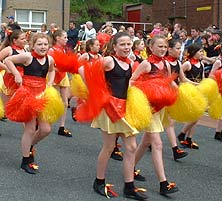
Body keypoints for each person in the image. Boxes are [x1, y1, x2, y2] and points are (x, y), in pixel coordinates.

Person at [78, 32, 147, 200]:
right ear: (114, 46)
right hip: (109, 108)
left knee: (131, 148)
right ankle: (99, 181)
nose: (126, 47)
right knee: (109, 147)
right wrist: (96, 92)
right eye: (122, 44)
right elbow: (82, 69)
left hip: (124, 108)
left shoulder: (130, 63)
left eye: (128, 44)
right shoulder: (109, 60)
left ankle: (129, 186)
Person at [130, 34, 179, 195]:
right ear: (151, 47)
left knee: (145, 143)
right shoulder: (145, 64)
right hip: (149, 109)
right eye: (160, 46)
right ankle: (163, 183)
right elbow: (132, 81)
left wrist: (181, 92)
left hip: (161, 108)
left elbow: (169, 81)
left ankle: (130, 169)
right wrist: (144, 92)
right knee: (157, 144)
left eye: (165, 47)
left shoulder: (166, 63)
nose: (163, 49)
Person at [4, 33, 56, 174]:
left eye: (45, 44)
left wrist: (50, 84)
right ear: (33, 45)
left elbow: (52, 71)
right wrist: (15, 74)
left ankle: (31, 144)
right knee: (30, 128)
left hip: (41, 95)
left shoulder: (50, 59)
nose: (43, 47)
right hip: (27, 94)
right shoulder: (28, 57)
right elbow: (8, 60)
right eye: (39, 44)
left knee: (46, 129)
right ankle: (25, 160)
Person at [0, 29, 26, 137]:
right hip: (10, 80)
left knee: (24, 104)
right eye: (22, 39)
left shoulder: (25, 49)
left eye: (25, 38)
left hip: (23, 80)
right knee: (4, 109)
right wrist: (7, 68)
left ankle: (29, 131)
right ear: (14, 40)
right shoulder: (9, 50)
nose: (24, 41)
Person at [164, 39, 189, 160]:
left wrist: (198, 85)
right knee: (169, 122)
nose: (180, 51)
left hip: (174, 94)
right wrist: (179, 91)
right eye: (178, 48)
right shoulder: (165, 63)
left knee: (157, 126)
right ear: (169, 49)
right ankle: (175, 149)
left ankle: (149, 143)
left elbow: (183, 79)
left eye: (181, 48)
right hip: (165, 95)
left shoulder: (178, 63)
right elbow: (168, 81)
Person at [178, 44, 205, 149]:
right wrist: (192, 84)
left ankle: (189, 139)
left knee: (196, 117)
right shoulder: (187, 64)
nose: (202, 53)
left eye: (202, 51)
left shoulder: (201, 64)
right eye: (200, 51)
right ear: (193, 53)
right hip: (189, 92)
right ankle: (182, 133)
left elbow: (202, 78)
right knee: (195, 116)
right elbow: (180, 77)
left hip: (197, 92)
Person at [48, 29, 73, 137]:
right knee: (53, 102)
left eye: (67, 37)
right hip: (53, 77)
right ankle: (45, 123)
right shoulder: (51, 51)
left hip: (63, 76)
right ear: (57, 38)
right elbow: (49, 66)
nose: (67, 39)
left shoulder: (63, 50)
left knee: (65, 102)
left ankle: (61, 127)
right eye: (65, 37)